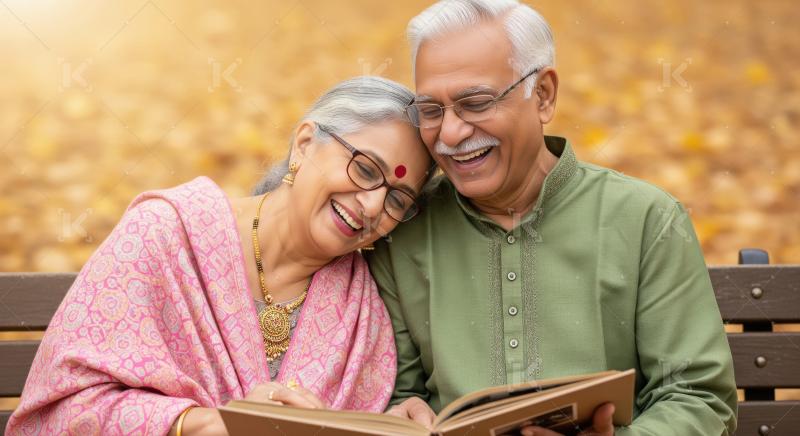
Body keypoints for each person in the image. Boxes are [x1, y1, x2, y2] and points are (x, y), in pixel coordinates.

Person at [367, 1, 738, 435]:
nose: (450, 134)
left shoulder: (647, 221)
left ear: (542, 95)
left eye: (476, 102)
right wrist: (399, 412)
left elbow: (698, 397)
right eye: (431, 110)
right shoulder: (402, 230)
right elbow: (396, 393)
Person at [7, 76, 434, 436]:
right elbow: (62, 413)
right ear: (304, 144)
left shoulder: (362, 310)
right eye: (364, 169)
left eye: (398, 200)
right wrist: (212, 425)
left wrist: (385, 425)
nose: (374, 206)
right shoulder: (165, 235)